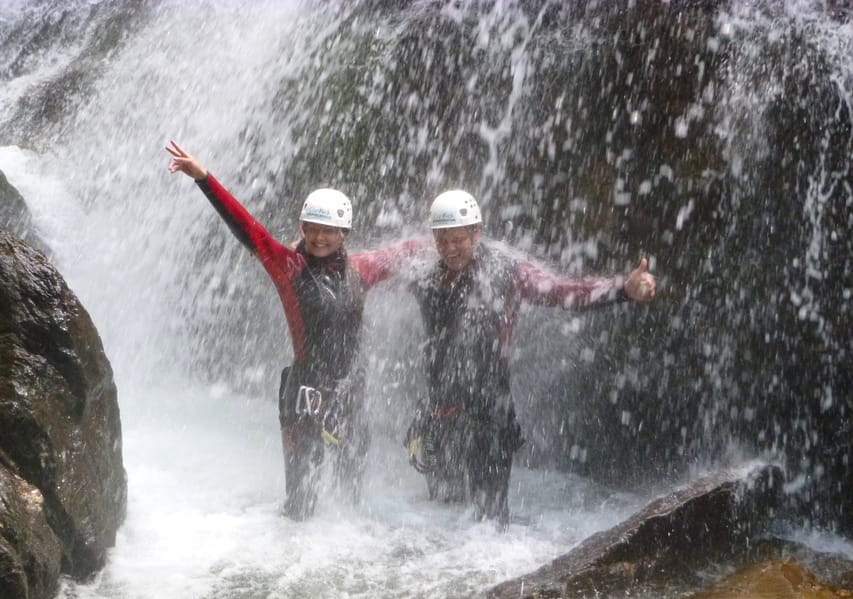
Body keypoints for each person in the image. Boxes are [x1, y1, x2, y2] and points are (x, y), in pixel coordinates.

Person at [166, 140, 421, 520]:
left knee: (351, 499)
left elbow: (405, 252)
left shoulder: (361, 271)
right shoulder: (288, 266)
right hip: (304, 395)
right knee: (300, 507)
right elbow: (248, 229)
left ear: (345, 233)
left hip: (349, 395)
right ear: (301, 227)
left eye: (329, 231)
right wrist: (204, 178)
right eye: (312, 229)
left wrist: (450, 242)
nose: (319, 237)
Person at [404, 189, 656, 526]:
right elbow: (372, 265)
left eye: (458, 239)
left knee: (488, 523)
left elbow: (564, 292)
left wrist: (622, 289)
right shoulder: (424, 273)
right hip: (440, 414)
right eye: (442, 239)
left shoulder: (507, 272)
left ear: (476, 232)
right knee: (443, 515)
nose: (450, 248)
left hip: (489, 415)